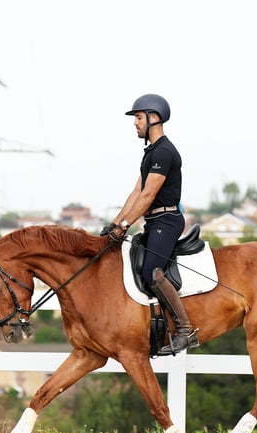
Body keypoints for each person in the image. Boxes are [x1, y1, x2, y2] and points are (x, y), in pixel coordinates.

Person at [101, 93, 199, 355]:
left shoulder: (165, 152)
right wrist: (114, 224)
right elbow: (135, 193)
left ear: (154, 118)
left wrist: (125, 225)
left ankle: (185, 330)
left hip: (166, 221)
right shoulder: (151, 152)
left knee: (152, 272)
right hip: (154, 220)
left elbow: (148, 195)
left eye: (138, 117)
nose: (135, 123)